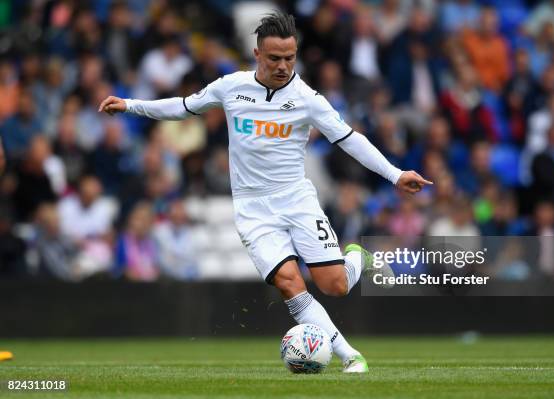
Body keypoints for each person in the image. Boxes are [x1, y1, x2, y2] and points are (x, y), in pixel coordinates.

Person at [99, 12, 432, 373]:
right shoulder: (231, 87)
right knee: (290, 282)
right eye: (275, 58)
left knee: (335, 285)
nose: (283, 66)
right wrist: (131, 105)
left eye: (290, 58)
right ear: (257, 54)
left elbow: (350, 139)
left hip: (297, 199)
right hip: (252, 208)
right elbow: (183, 107)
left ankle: (355, 258)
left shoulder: (307, 98)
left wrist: (395, 174)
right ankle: (350, 355)